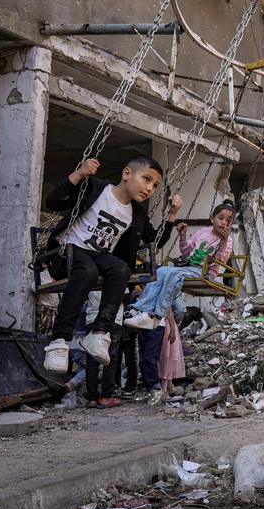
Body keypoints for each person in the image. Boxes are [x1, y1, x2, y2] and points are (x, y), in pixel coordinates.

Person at [42, 156, 182, 372]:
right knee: (87, 271)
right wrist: (79, 174)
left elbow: (154, 239)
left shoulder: (137, 212)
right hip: (67, 251)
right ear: (127, 174)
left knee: (121, 269)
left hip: (97, 257)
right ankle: (59, 342)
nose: (149, 188)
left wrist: (172, 215)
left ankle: (99, 333)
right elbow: (54, 202)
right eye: (146, 179)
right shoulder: (95, 189)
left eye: (154, 185)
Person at [125, 200, 236, 329]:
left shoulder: (228, 241)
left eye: (228, 220)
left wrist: (224, 241)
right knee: (160, 272)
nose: (224, 222)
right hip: (189, 268)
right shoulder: (202, 232)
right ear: (212, 218)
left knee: (173, 274)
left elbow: (221, 260)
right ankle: (144, 311)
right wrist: (183, 236)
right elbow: (186, 253)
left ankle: (156, 315)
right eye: (221, 218)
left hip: (205, 273)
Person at [82, 291, 123, 408]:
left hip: (92, 318)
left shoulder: (91, 274)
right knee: (110, 359)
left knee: (91, 359)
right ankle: (106, 396)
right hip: (114, 318)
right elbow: (125, 297)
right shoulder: (118, 274)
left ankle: (92, 398)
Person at [158, 309, 184, 398]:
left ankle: (164, 388)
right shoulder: (175, 295)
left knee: (165, 356)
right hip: (169, 323)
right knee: (168, 355)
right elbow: (180, 309)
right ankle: (168, 386)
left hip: (164, 323)